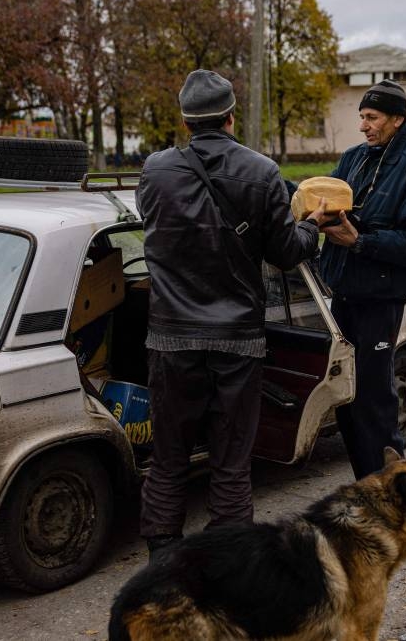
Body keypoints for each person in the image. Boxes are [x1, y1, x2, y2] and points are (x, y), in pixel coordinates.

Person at [135, 70, 328, 559]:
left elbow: (154, 228)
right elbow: (287, 253)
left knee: (170, 454)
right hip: (238, 339)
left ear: (184, 119)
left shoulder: (154, 170)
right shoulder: (262, 172)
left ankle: (162, 553)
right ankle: (230, 555)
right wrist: (312, 227)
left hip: (171, 337)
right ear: (230, 117)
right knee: (231, 458)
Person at [318, 79, 406, 480]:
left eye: (371, 118)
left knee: (374, 398)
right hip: (344, 292)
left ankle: (390, 492)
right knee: (347, 395)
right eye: (361, 117)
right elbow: (332, 200)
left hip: (380, 298)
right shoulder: (355, 158)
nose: (363, 126)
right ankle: (366, 485)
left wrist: (361, 241)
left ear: (397, 119)